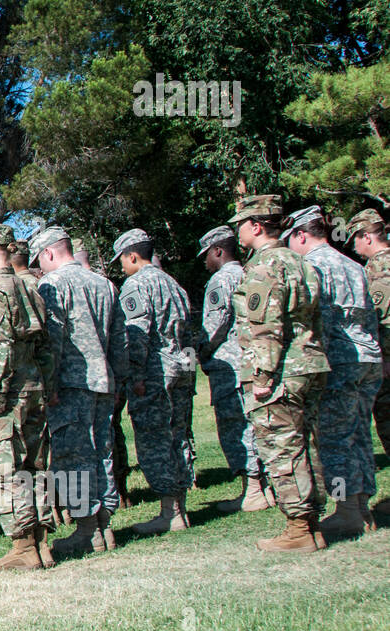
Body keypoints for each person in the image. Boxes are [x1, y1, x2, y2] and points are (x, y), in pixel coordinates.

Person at [230, 195, 330, 552]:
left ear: (255, 226)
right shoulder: (300, 262)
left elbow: (265, 328)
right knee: (307, 444)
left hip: (282, 370)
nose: (237, 231)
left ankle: (299, 528)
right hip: (309, 364)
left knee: (282, 447)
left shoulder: (263, 267)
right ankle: (312, 522)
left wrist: (261, 378)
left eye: (240, 224)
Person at [283, 205, 381, 537]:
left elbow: (316, 321)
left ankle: (345, 509)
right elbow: (371, 318)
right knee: (358, 433)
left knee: (333, 438)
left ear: (301, 235)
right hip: (367, 356)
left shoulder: (312, 266)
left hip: (338, 360)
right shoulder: (354, 265)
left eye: (289, 239)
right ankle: (362, 506)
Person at [32, 226, 127, 555]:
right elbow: (119, 338)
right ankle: (104, 526)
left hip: (71, 384)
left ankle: (87, 529)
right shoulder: (103, 283)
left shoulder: (52, 284)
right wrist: (118, 380)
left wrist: (50, 382)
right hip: (104, 381)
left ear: (49, 253)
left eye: (39, 260)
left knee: (73, 456)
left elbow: (52, 340)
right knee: (102, 452)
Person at [0, 224, 56, 570]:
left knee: (4, 467)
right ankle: (42, 542)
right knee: (37, 465)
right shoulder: (29, 286)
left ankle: (23, 547)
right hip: (34, 386)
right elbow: (46, 346)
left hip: (7, 392)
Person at [113, 229, 196, 535]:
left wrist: (134, 376)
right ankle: (180, 508)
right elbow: (188, 333)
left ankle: (169, 512)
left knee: (155, 440)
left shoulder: (136, 285)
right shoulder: (173, 284)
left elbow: (136, 336)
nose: (121, 267)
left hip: (154, 374)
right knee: (179, 437)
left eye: (122, 260)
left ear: (132, 256)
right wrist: (188, 371)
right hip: (181, 370)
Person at [197, 225, 274, 513]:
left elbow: (214, 326)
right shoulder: (251, 272)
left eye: (207, 255)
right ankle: (265, 487)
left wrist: (201, 352)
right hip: (253, 361)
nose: (205, 261)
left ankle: (252, 489)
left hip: (229, 364)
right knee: (256, 424)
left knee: (235, 426)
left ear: (218, 251)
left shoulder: (221, 279)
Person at [345, 207, 390, 519]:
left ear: (366, 236)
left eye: (355, 240)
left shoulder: (378, 269)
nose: (353, 247)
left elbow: (384, 321)